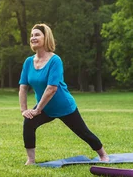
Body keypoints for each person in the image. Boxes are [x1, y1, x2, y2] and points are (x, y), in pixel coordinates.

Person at [18, 23, 108, 165]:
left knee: (83, 132)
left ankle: (103, 155)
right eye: (31, 35)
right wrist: (24, 110)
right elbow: (23, 87)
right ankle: (31, 160)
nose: (33, 38)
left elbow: (51, 89)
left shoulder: (55, 60)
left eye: (37, 35)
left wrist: (37, 110)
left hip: (63, 105)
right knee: (28, 122)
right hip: (45, 107)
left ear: (46, 37)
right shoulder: (29, 62)